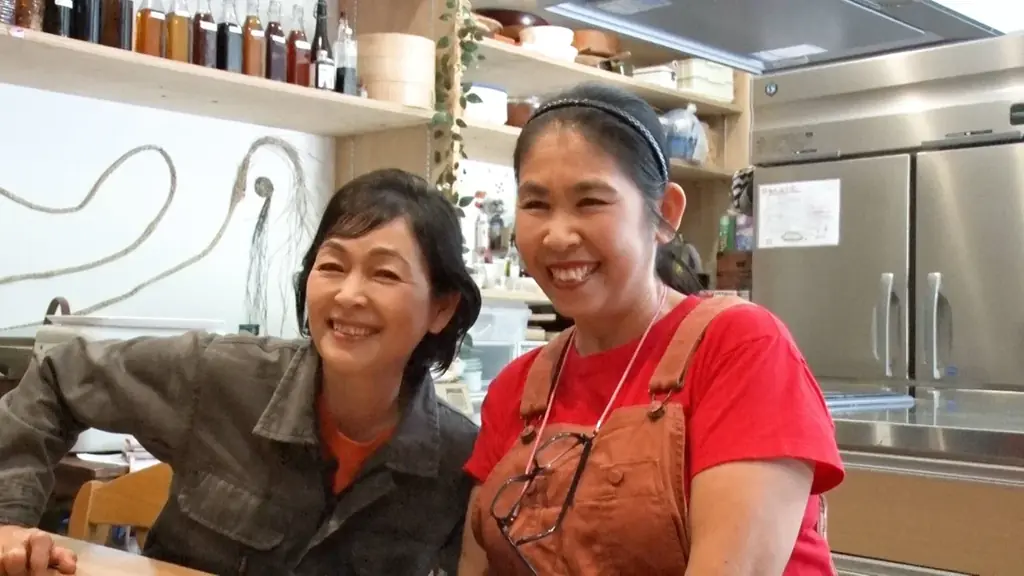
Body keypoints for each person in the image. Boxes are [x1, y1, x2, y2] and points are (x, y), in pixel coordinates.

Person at [0, 168, 481, 576]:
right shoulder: (219, 376)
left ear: (441, 308)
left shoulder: (461, 462)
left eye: (384, 274)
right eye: (332, 266)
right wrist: (9, 522)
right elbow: (57, 378)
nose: (348, 295)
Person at [457, 84, 845, 576]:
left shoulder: (739, 348)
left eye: (590, 201)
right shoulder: (516, 390)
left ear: (666, 214)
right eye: (536, 205)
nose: (557, 235)